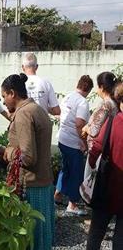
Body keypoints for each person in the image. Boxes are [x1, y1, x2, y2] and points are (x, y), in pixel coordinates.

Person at [0, 73, 54, 250]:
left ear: (12, 93)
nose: (4, 101)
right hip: (43, 183)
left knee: (32, 239)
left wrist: (6, 151)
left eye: (4, 96)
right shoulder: (37, 109)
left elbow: (28, 157)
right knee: (43, 237)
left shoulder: (23, 114)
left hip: (31, 185)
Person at [86, 81, 123, 250]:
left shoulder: (114, 122)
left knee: (97, 230)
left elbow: (97, 148)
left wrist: (92, 166)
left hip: (107, 185)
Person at [54, 75, 94, 215]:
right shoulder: (83, 102)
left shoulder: (68, 97)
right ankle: (72, 204)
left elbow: (59, 115)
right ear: (88, 90)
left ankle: (57, 194)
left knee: (66, 169)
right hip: (73, 143)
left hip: (62, 139)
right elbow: (79, 124)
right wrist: (83, 143)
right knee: (76, 173)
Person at [82, 72, 119, 159]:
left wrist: (86, 128)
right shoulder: (115, 103)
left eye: (98, 86)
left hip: (96, 151)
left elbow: (94, 131)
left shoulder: (105, 104)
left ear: (102, 87)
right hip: (107, 148)